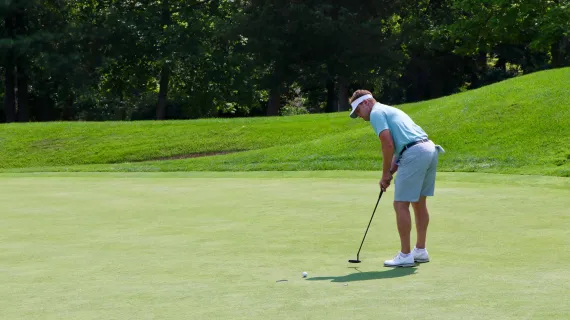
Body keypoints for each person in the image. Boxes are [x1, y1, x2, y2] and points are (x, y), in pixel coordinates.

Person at [349, 89, 444, 268]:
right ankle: (420, 251)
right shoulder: (390, 110)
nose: (360, 117)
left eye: (358, 112)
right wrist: (390, 172)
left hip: (414, 153)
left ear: (365, 103)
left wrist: (385, 173)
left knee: (400, 204)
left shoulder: (376, 113)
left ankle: (405, 255)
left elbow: (388, 144)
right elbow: (402, 145)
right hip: (428, 149)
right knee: (418, 202)